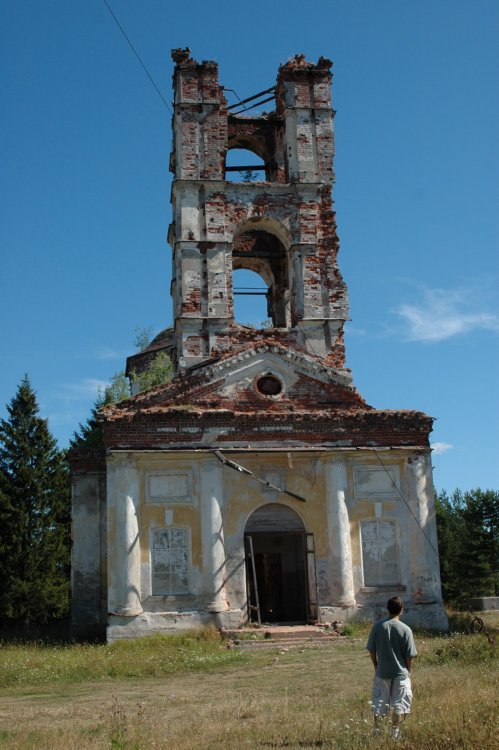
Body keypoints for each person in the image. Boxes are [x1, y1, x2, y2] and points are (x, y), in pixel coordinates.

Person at [366, 596, 417, 740]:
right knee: (400, 704)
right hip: (401, 673)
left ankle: (377, 732)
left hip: (382, 672)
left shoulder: (377, 627)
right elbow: (410, 656)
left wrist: (376, 666)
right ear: (402, 610)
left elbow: (371, 650)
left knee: (379, 703)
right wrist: (408, 670)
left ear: (387, 609)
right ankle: (395, 732)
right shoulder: (406, 630)